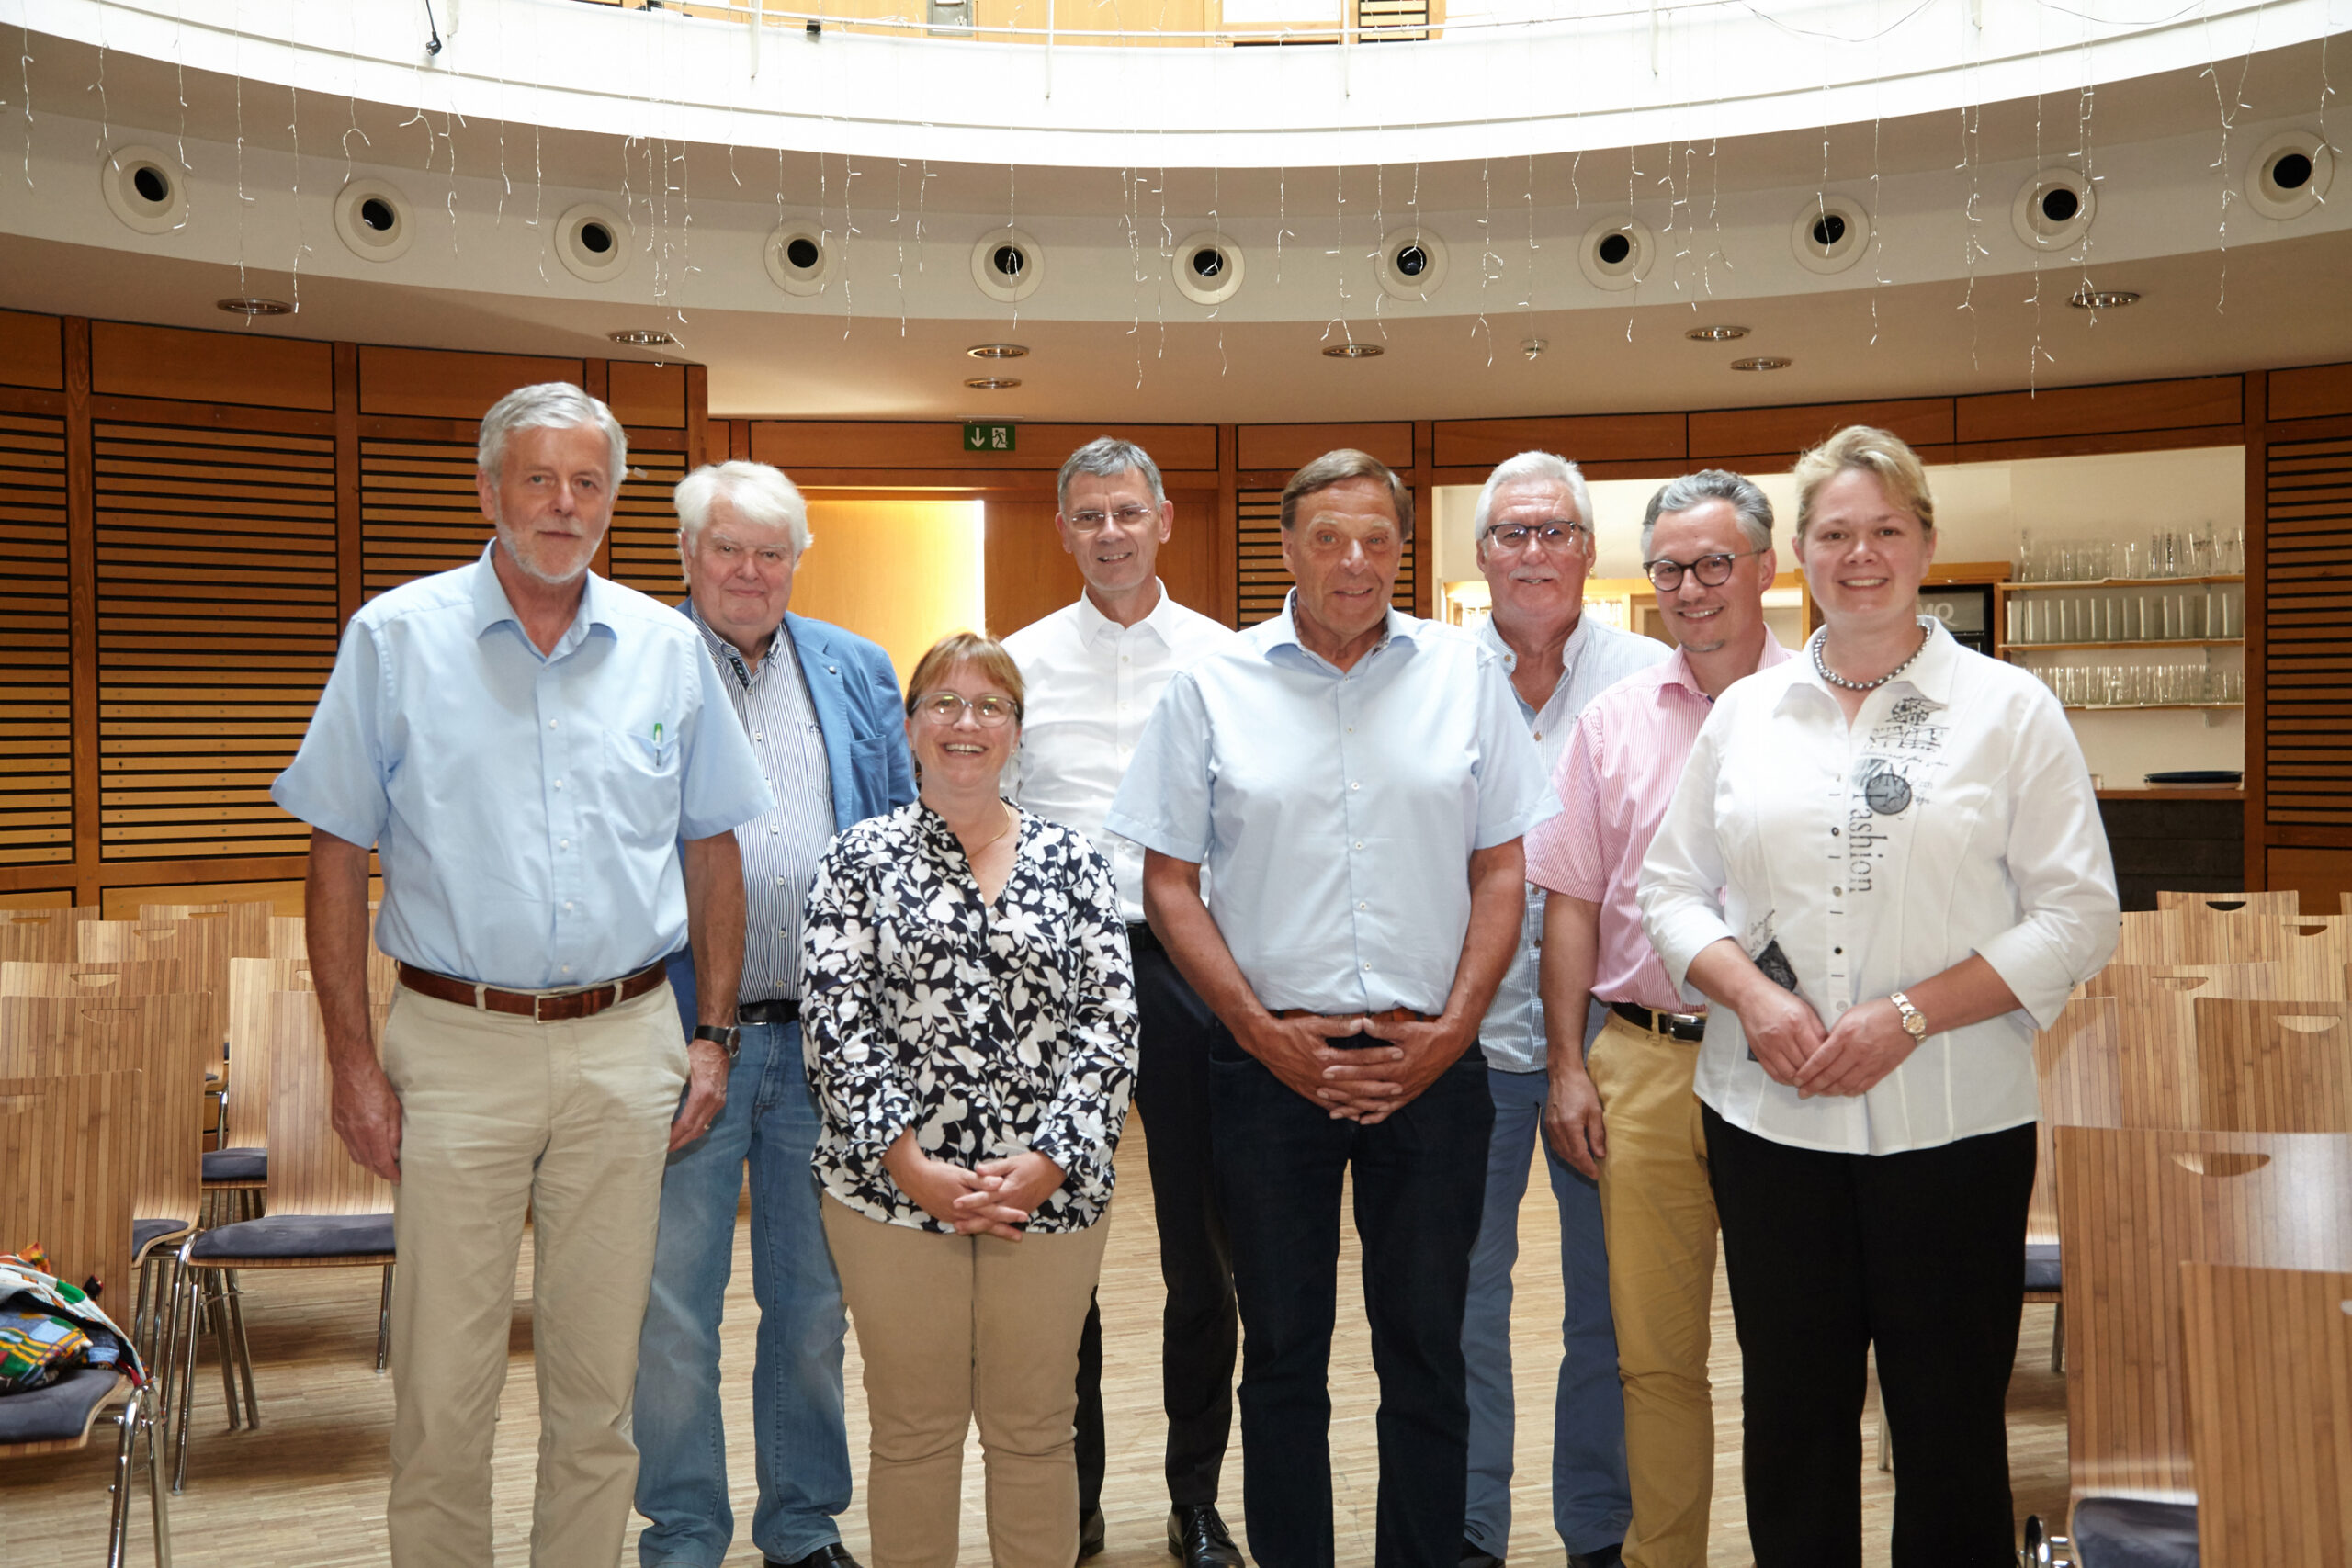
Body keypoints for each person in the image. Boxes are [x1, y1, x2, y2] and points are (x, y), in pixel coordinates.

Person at [272, 382, 773, 1568]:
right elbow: (336, 855)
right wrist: (352, 1057)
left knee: (600, 1396)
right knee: (444, 1395)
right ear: (488, 488)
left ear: (614, 501)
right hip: (458, 1047)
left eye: (588, 483)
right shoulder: (394, 639)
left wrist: (711, 1033)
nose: (563, 504)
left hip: (626, 1043)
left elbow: (714, 848)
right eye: (538, 479)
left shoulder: (665, 649)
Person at [1637, 427, 2120, 1567]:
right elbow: (1665, 890)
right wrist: (1751, 998)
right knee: (1792, 1421)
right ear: (1795, 554)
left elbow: (2077, 914)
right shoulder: (1745, 716)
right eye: (1835, 533)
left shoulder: (2009, 710)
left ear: (1926, 544)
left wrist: (1907, 1016)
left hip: (1954, 1126)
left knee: (1948, 1426)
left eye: (1885, 531)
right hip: (1768, 1124)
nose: (1861, 555)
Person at [1106, 450, 1548, 1568]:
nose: (1353, 561)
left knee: (1427, 1352)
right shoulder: (1213, 683)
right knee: (1285, 1354)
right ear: (1288, 548)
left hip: (1431, 1065)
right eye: (1327, 538)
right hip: (1268, 1071)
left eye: (1377, 540)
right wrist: (1254, 1030)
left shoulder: (1464, 675)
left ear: (1404, 549)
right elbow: (1168, 879)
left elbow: (1504, 866)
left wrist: (1453, 1029)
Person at [800, 631, 1138, 1568]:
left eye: (990, 706)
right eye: (944, 703)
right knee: (913, 1427)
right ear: (909, 728)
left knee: (1035, 1427)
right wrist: (911, 1166)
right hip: (891, 1195)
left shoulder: (1075, 864)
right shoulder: (856, 863)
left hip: (1051, 1196)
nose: (966, 723)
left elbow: (1109, 1026)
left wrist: (1048, 1162)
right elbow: (836, 1025)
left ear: (1016, 734)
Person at [634, 460, 916, 1568]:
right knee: (673, 1315)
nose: (749, 572)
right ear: (685, 555)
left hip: (825, 1039)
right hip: (675, 1033)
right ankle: (685, 1533)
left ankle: (802, 1527)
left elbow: (898, 834)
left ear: (798, 560)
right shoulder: (641, 662)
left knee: (812, 1308)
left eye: (771, 551)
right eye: (726, 548)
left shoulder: (855, 667)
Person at [1529, 469, 1790, 1568]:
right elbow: (1573, 905)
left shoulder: (1828, 704)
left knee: (1795, 1354)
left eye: (1714, 563)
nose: (1690, 588)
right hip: (1638, 1060)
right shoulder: (1612, 723)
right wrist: (1565, 1067)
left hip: (1787, 1067)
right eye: (1671, 568)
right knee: (1652, 1360)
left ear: (1767, 571)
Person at [1001, 437, 1246, 1568]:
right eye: (1088, 514)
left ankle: (1194, 1495)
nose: (1108, 532)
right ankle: (1073, 1493)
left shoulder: (1225, 659)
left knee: (1205, 1256)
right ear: (1064, 531)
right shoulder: (1016, 664)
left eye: (1127, 513)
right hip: (1055, 978)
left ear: (1162, 524)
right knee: (1061, 1242)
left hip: (1185, 963)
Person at [1456, 453, 1663, 1568]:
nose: (1531, 554)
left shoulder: (1653, 677)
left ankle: (1598, 1536)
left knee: (1613, 1311)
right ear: (1479, 554)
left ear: (1588, 549)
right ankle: (1469, 1533)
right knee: (1463, 1306)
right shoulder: (1429, 676)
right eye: (1510, 534)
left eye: (1552, 532)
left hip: (1613, 1046)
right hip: (1466, 1045)